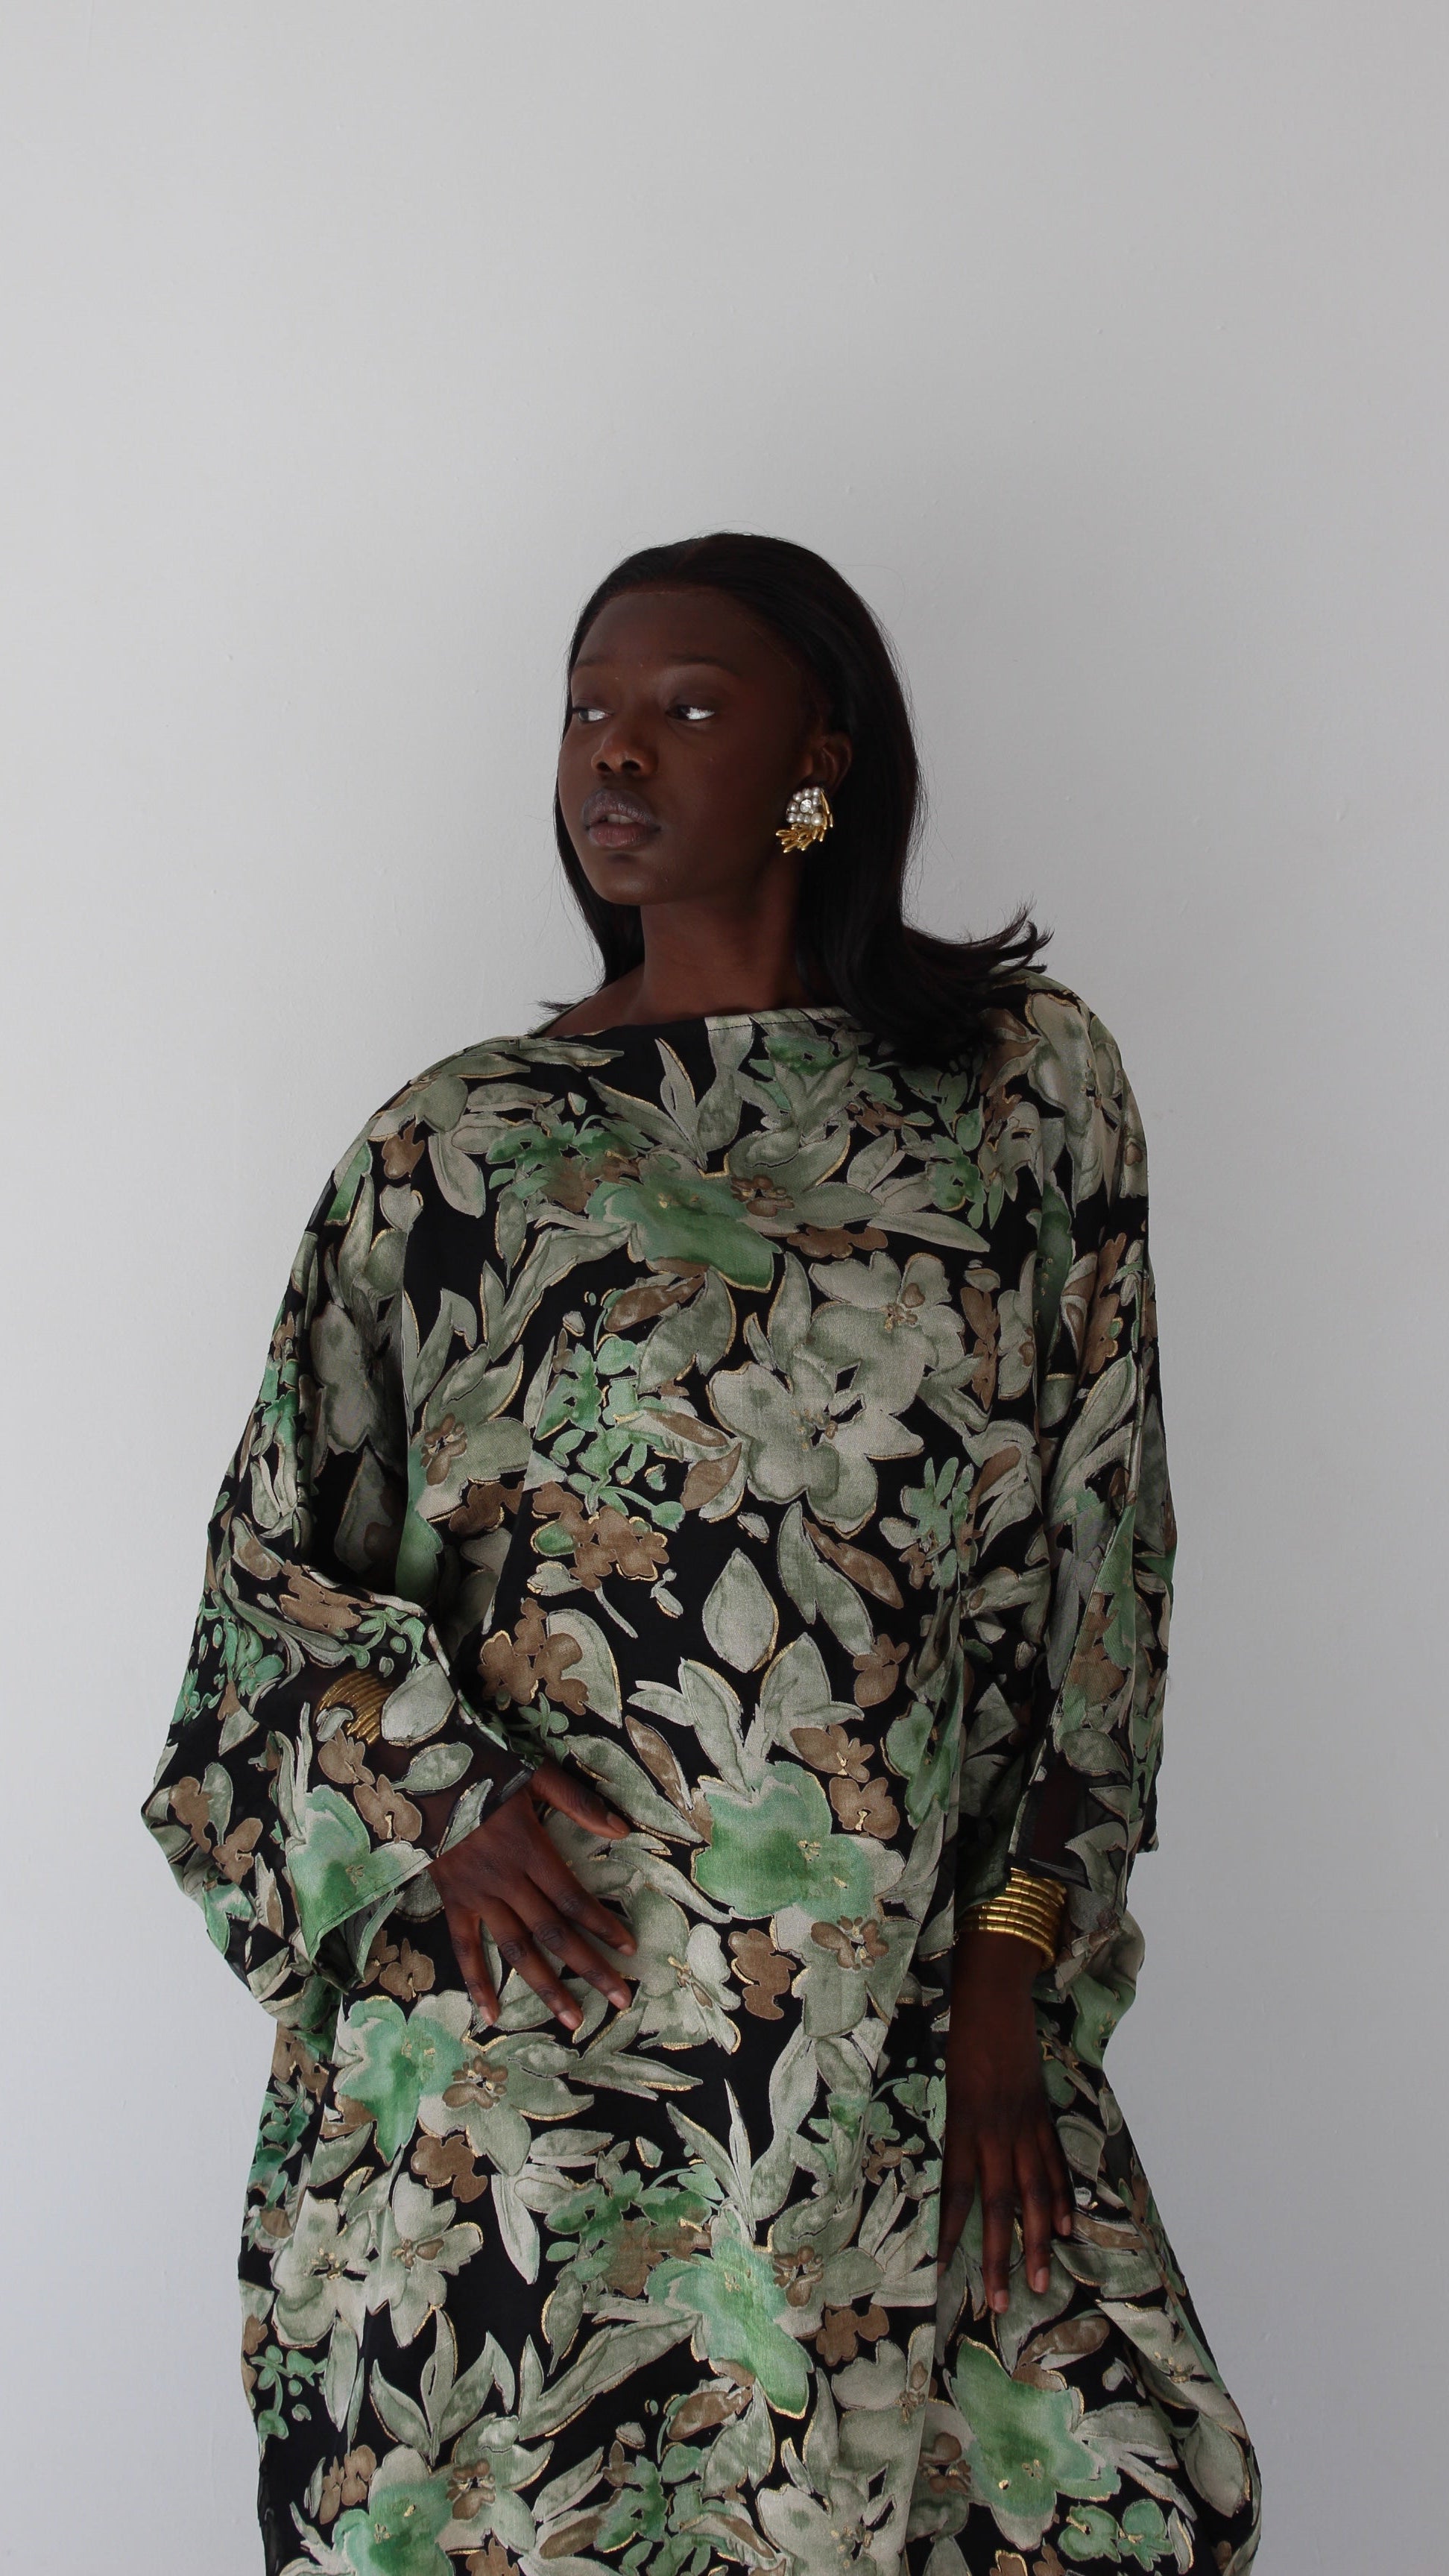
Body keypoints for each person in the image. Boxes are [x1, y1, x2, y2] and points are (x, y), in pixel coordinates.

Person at [145, 532, 1260, 2575]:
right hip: (520, 2047)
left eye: (684, 707)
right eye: (589, 710)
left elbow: (1102, 1584)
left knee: (1072, 2491)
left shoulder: (1020, 1098)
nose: (616, 755)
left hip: (876, 2022)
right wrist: (432, 1795)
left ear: (819, 757)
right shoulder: (454, 1152)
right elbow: (267, 1575)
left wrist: (1009, 1973)